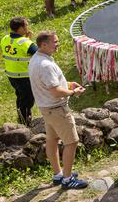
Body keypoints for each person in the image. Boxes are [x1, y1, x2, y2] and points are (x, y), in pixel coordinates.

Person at [28, 31, 88, 189]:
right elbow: (55, 91)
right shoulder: (46, 65)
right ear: (43, 45)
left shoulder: (36, 59)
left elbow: (49, 84)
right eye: (55, 42)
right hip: (57, 109)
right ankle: (67, 180)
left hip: (46, 108)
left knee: (52, 140)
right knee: (72, 142)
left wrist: (67, 84)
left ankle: (57, 174)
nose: (58, 44)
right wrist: (73, 92)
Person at [2, 17, 37, 124]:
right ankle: (25, 121)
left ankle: (21, 117)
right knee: (28, 99)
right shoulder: (26, 43)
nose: (27, 27)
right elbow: (39, 53)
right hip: (24, 76)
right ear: (20, 28)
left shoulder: (5, 39)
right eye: (26, 25)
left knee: (20, 96)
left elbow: (15, 47)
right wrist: (28, 40)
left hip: (11, 75)